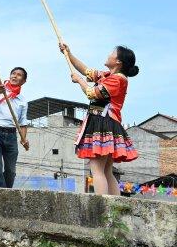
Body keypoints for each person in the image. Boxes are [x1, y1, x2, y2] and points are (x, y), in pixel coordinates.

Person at [60, 43, 139, 195]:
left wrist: (79, 80)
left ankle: (102, 206)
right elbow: (85, 70)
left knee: (96, 169)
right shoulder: (108, 76)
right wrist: (68, 53)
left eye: (112, 53)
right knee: (106, 171)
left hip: (103, 122)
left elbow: (92, 93)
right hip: (107, 122)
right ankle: (115, 206)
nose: (109, 54)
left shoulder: (118, 79)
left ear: (118, 61)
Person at [0, 68, 30, 188]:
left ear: (23, 81)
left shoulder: (23, 100)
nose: (15, 76)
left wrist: (24, 139)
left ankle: (7, 193)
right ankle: (2, 196)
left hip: (11, 134)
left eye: (19, 75)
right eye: (13, 74)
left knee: (11, 172)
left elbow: (23, 123)